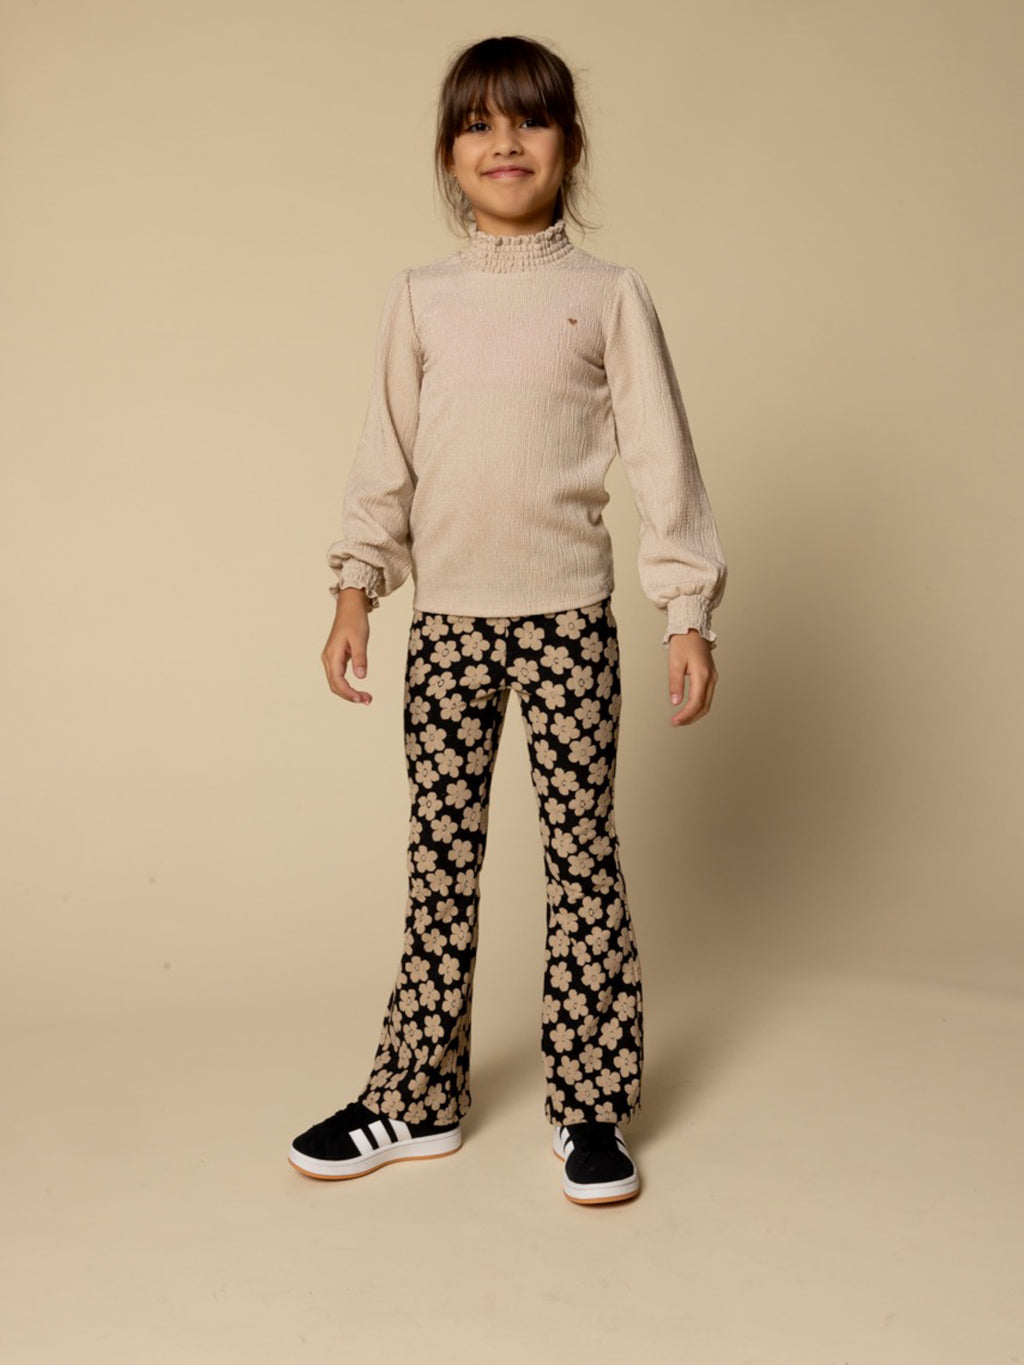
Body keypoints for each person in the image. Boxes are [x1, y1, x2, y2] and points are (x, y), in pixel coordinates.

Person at [288, 34, 727, 1206]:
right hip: (448, 628)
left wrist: (686, 611)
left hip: (570, 624)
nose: (504, 143)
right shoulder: (422, 299)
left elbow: (663, 462)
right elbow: (384, 459)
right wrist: (354, 588)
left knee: (583, 864)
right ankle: (415, 1098)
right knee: (441, 863)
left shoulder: (608, 296)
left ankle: (591, 1107)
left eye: (528, 120)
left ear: (568, 144)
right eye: (478, 124)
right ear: (448, 154)